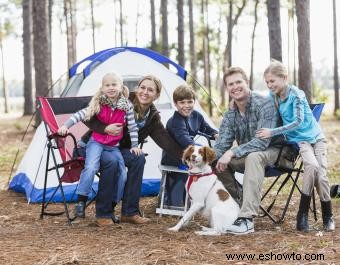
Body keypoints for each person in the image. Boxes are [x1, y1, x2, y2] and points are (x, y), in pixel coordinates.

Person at [84, 75, 183, 225]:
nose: (145, 92)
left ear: (156, 95)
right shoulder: (122, 98)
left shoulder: (152, 118)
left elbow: (166, 141)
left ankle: (130, 212)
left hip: (122, 150)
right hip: (100, 145)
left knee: (138, 159)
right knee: (111, 162)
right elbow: (89, 114)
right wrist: (104, 128)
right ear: (137, 89)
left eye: (150, 90)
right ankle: (103, 214)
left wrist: (186, 157)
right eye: (142, 88)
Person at [256, 60, 335, 232]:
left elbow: (298, 122)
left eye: (272, 81)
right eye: (267, 82)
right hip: (301, 141)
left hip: (316, 137)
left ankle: (327, 216)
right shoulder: (274, 96)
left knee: (321, 175)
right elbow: (261, 104)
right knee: (312, 166)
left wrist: (272, 131)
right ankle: (302, 215)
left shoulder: (297, 95)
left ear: (284, 78)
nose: (269, 85)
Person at [58, 72, 142, 224]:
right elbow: (80, 115)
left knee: (122, 173)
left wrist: (135, 146)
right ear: (102, 88)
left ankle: (111, 205)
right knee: (91, 166)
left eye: (114, 84)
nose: (111, 88)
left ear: (121, 87)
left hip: (113, 147)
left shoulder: (127, 106)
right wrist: (65, 126)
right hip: (96, 143)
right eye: (107, 85)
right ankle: (81, 201)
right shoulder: (98, 103)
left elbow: (133, 127)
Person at [213, 66, 280, 235]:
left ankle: (247, 219)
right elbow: (221, 146)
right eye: (230, 84)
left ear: (247, 82)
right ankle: (238, 204)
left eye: (238, 82)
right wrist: (202, 160)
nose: (235, 87)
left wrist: (232, 152)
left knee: (254, 156)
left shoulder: (264, 104)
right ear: (227, 88)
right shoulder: (230, 115)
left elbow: (262, 143)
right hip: (248, 155)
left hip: (276, 152)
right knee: (216, 160)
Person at [161, 84, 218, 207]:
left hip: (189, 155)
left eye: (190, 102)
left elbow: (207, 128)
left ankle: (208, 196)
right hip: (174, 157)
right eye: (182, 102)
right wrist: (203, 152)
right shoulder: (176, 121)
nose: (186, 106)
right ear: (175, 104)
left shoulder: (196, 115)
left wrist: (215, 134)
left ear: (194, 102)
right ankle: (176, 200)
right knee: (208, 161)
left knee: (214, 160)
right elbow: (185, 140)